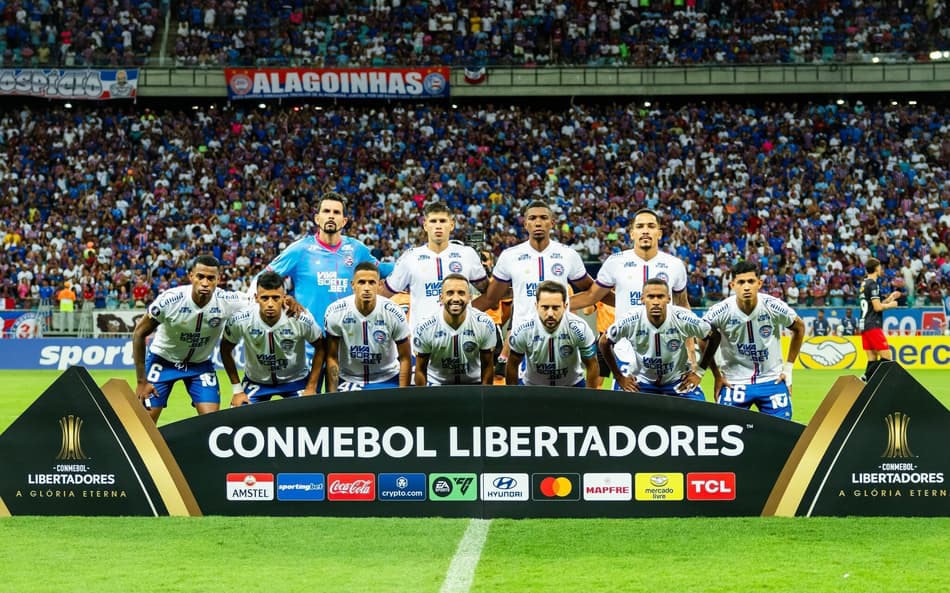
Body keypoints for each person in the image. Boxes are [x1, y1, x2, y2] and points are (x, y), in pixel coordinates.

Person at [570, 208, 693, 381]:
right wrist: (561, 305)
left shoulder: (675, 265)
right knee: (626, 404)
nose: (645, 230)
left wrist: (691, 351)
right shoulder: (616, 262)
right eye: (640, 226)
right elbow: (591, 296)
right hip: (626, 351)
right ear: (632, 233)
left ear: (659, 233)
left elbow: (683, 307)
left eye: (651, 226)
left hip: (667, 351)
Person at [132, 255, 253, 422]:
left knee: (212, 424)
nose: (205, 283)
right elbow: (139, 333)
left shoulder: (227, 300)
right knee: (144, 425)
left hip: (200, 365)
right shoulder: (171, 300)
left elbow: (262, 299)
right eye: (200, 277)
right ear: (191, 277)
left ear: (218, 279)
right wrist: (141, 381)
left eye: (211, 278)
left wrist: (287, 300)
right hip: (162, 362)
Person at [702, 260, 806, 420]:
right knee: (727, 434)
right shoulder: (721, 311)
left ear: (759, 283)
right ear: (732, 285)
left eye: (751, 281)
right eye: (741, 282)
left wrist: (789, 369)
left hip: (772, 380)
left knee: (782, 435)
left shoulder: (774, 306)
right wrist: (716, 374)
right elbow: (701, 336)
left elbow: (799, 327)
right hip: (733, 381)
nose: (746, 287)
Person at [262, 192, 378, 333]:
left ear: (344, 221)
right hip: (308, 343)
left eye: (336, 212)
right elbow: (263, 278)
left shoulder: (358, 249)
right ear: (317, 219)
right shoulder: (300, 249)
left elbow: (385, 271)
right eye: (326, 211)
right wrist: (284, 298)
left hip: (347, 341)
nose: (331, 216)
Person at [473, 200, 593, 330]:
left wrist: (566, 304)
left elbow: (593, 291)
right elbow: (491, 298)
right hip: (522, 336)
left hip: (559, 333)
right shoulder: (510, 256)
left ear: (552, 223)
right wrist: (459, 315)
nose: (538, 223)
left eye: (543, 218)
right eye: (532, 218)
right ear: (525, 224)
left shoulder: (568, 254)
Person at [380, 202, 488, 341]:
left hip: (462, 339)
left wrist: (471, 313)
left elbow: (488, 293)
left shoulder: (467, 254)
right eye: (433, 221)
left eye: (443, 221)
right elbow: (384, 294)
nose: (438, 225)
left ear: (452, 225)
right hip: (422, 342)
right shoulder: (410, 257)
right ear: (425, 225)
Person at [598, 278, 721, 400]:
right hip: (641, 382)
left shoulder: (683, 318)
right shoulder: (630, 320)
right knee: (620, 412)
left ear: (668, 299)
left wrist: (699, 372)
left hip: (678, 381)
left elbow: (714, 336)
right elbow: (604, 342)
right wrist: (619, 377)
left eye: (660, 296)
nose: (656, 302)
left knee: (700, 413)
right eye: (651, 297)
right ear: (642, 299)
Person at [220, 271, 324, 406]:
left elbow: (321, 347)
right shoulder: (241, 319)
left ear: (284, 298)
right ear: (256, 298)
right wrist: (237, 390)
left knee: (309, 415)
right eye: (265, 298)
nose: (270, 304)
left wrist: (311, 387)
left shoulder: (300, 318)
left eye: (275, 298)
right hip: (256, 382)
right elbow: (225, 349)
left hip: (295, 381)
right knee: (237, 412)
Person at [323, 262, 412, 391]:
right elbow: (332, 357)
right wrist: (332, 394)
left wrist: (403, 394)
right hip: (349, 378)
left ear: (380, 285)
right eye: (361, 282)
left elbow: (405, 357)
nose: (366, 288)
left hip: (388, 377)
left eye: (371, 282)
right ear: (353, 285)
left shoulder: (394, 312)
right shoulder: (335, 312)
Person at [506, 280, 599, 388]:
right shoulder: (523, 329)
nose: (550, 313)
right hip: (533, 387)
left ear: (565, 306)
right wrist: (513, 398)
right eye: (545, 307)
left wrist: (588, 399)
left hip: (573, 386)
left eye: (556, 308)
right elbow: (512, 364)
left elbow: (592, 364)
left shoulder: (580, 328)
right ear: (536, 306)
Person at [413, 273, 497, 386]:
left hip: (473, 384)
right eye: (450, 293)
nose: (456, 298)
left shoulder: (485, 324)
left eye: (461, 293)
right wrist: (424, 400)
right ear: (441, 298)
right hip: (437, 385)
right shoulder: (425, 327)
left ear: (469, 297)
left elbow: (487, 366)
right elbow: (420, 370)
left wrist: (484, 399)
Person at [859, 257, 901, 381]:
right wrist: (891, 305)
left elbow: (872, 305)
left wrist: (888, 299)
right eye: (880, 266)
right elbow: (877, 308)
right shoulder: (873, 284)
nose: (881, 268)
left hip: (864, 325)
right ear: (876, 268)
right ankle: (864, 378)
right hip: (873, 325)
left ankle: (865, 387)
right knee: (887, 358)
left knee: (872, 359)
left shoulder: (864, 284)